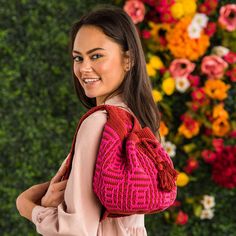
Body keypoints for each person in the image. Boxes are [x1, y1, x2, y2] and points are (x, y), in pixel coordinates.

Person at [16, 5, 161, 236]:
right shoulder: (138, 120)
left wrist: (28, 207)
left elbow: (77, 230)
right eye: (78, 58)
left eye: (96, 56)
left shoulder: (99, 123)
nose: (84, 68)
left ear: (128, 59)